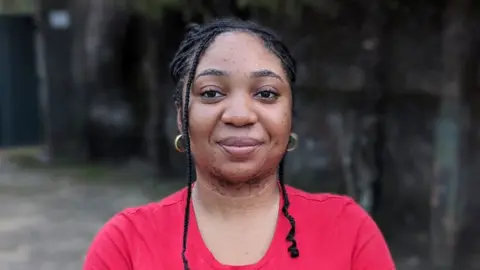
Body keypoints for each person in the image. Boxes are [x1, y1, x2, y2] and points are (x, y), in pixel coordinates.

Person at [83, 17, 395, 270]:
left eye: (266, 93)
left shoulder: (348, 231)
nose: (240, 115)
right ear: (182, 117)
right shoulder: (125, 244)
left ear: (289, 117)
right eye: (210, 93)